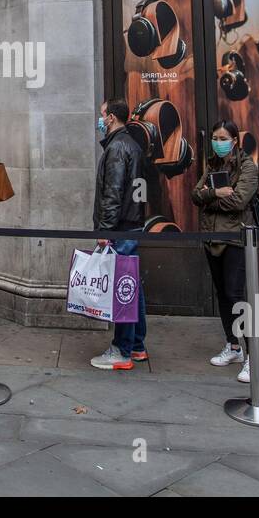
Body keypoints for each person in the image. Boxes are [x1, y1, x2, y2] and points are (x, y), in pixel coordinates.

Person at [191, 120, 259, 381]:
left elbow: (239, 200)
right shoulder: (212, 164)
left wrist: (211, 197)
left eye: (223, 137)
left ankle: (254, 357)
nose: (218, 142)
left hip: (235, 239)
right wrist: (216, 193)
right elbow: (195, 195)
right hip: (212, 238)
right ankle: (233, 345)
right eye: (214, 137)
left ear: (234, 140)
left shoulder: (247, 166)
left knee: (236, 295)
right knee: (223, 294)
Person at [89, 98, 147, 369]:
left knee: (123, 289)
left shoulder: (117, 148)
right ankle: (136, 345)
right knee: (132, 287)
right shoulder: (133, 145)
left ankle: (121, 351)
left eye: (102, 115)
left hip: (121, 227)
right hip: (133, 224)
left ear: (111, 117)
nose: (100, 120)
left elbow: (113, 193)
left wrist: (105, 230)